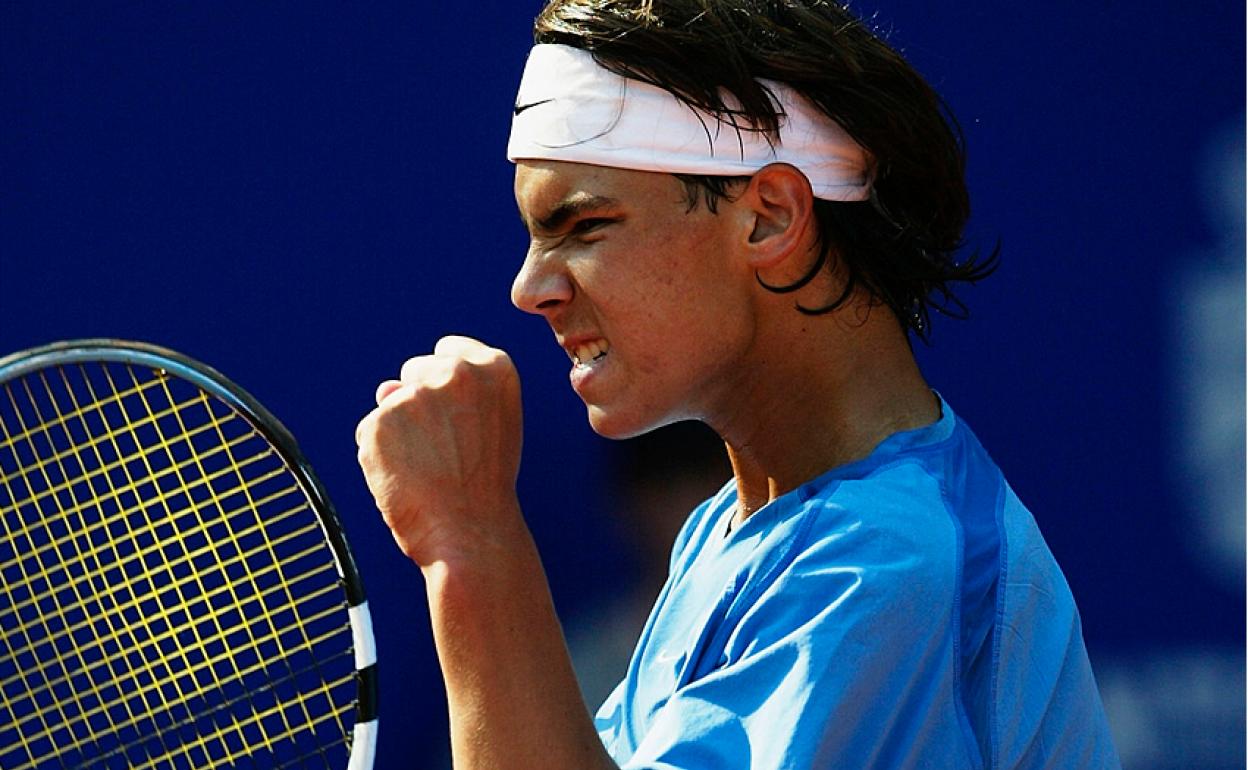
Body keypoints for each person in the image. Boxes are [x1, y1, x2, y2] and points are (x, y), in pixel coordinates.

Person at [354, 1, 1121, 767]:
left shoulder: (887, 566)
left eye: (583, 226)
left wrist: (472, 544)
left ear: (769, 218)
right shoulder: (731, 531)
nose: (531, 288)